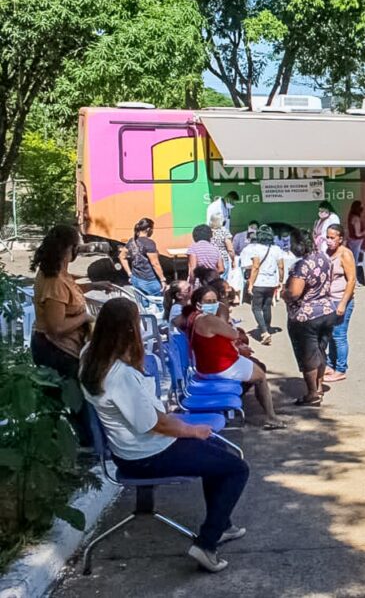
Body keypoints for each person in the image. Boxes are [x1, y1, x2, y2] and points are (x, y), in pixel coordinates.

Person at [80, 297, 249, 573]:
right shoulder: (119, 375)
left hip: (135, 448)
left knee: (220, 458)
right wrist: (192, 430)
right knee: (236, 468)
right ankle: (206, 544)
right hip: (147, 454)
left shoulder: (89, 355)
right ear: (129, 330)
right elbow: (154, 424)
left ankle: (222, 525)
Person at [31, 225, 112, 444]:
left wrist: (94, 285)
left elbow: (71, 291)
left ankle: (84, 443)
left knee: (77, 397)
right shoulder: (54, 280)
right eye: (76, 246)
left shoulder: (61, 273)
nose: (78, 251)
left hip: (68, 347)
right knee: (75, 399)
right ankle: (87, 448)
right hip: (55, 349)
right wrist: (85, 318)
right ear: (68, 249)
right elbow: (55, 327)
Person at [184, 285, 284, 430]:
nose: (212, 305)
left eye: (214, 301)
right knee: (260, 376)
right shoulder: (209, 320)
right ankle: (271, 417)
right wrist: (223, 315)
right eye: (208, 301)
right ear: (198, 303)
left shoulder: (193, 317)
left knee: (254, 366)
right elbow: (234, 334)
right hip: (220, 367)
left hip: (204, 366)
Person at [283, 229, 337, 406]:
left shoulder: (302, 265)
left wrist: (284, 292)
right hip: (327, 311)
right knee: (320, 351)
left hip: (306, 316)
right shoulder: (324, 257)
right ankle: (319, 387)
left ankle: (312, 394)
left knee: (307, 355)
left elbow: (295, 293)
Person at [240, 225, 285, 345]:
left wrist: (250, 284)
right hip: (272, 282)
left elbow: (255, 267)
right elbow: (281, 266)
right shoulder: (276, 249)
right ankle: (267, 328)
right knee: (267, 306)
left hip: (259, 282)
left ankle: (264, 331)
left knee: (256, 308)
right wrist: (280, 280)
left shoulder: (256, 249)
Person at [324, 224, 356, 383]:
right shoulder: (328, 253)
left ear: (340, 239)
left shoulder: (346, 254)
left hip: (342, 300)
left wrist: (343, 303)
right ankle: (330, 365)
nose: (329, 241)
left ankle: (341, 369)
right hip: (329, 300)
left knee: (339, 336)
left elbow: (351, 280)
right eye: (327, 237)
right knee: (330, 335)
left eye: (332, 238)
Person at [117, 218, 166, 296]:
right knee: (159, 304)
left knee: (142, 305)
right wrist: (162, 279)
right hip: (149, 280)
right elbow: (155, 264)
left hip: (136, 278)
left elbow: (121, 257)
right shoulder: (149, 243)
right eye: (152, 229)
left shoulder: (131, 241)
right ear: (148, 229)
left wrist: (129, 273)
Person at [347, 201, 365, 282]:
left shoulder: (351, 216)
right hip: (356, 242)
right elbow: (358, 234)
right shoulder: (356, 218)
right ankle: (354, 280)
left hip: (352, 241)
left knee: (352, 260)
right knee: (354, 261)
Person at [209, 213, 235, 280]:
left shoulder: (208, 231)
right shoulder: (224, 231)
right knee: (222, 280)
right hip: (222, 259)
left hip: (210, 258)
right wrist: (233, 260)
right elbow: (230, 249)